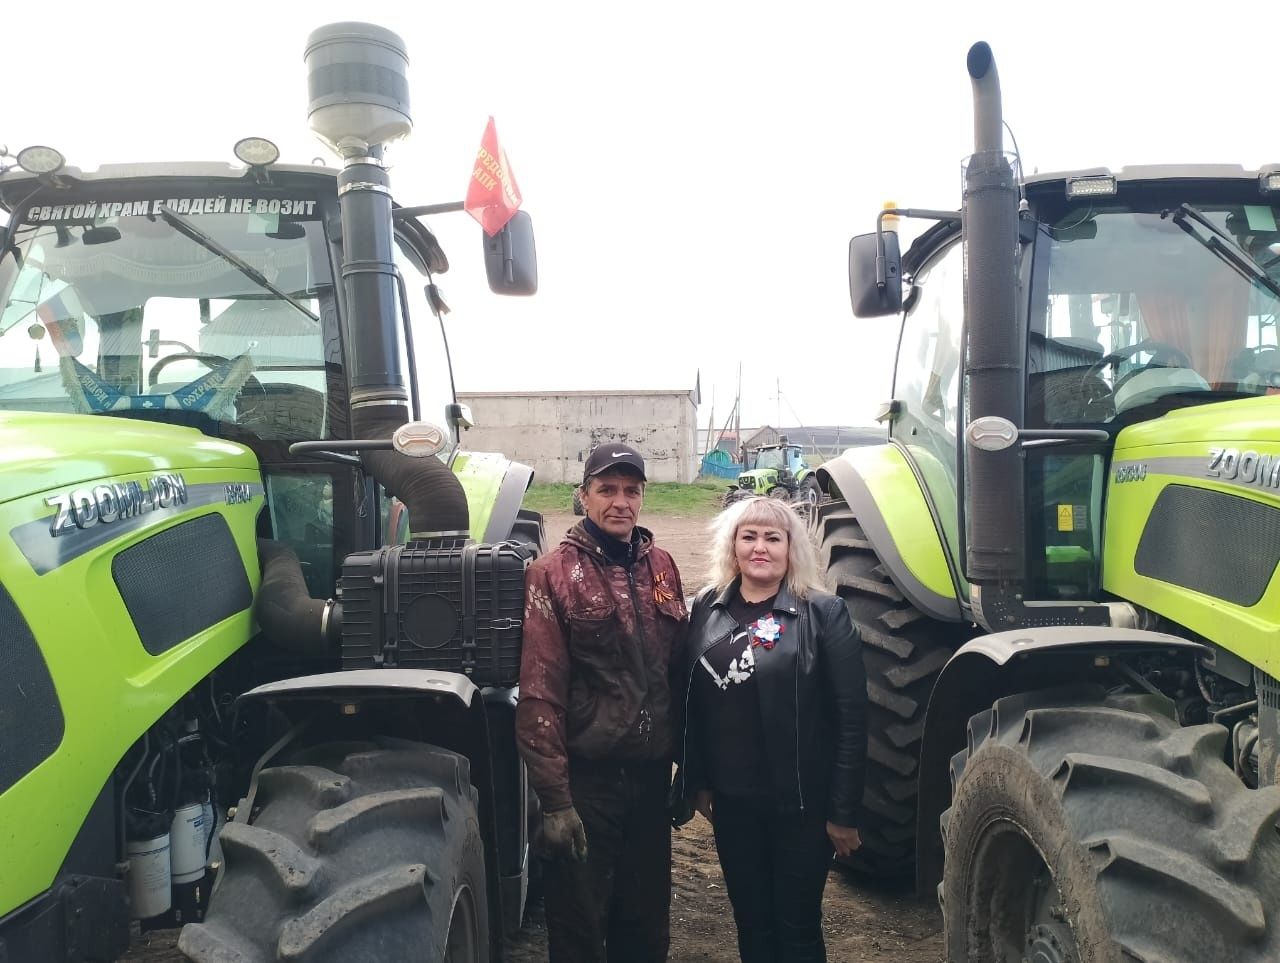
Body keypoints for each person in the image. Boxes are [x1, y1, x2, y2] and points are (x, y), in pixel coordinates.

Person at [672, 495, 867, 963]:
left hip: (800, 807)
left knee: (796, 928)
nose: (760, 547)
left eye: (772, 538)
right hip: (733, 807)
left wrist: (843, 812)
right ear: (733, 547)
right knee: (752, 925)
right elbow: (692, 701)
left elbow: (851, 718)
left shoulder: (823, 614)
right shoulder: (706, 607)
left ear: (790, 549)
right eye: (749, 536)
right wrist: (697, 780)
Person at [517, 442, 688, 962]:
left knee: (644, 920)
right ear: (583, 497)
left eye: (631, 491)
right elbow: (540, 692)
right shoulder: (551, 573)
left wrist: (688, 762)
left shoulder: (662, 565)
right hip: (588, 784)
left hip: (652, 779)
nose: (621, 502)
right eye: (606, 490)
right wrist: (556, 800)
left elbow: (679, 672)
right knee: (580, 925)